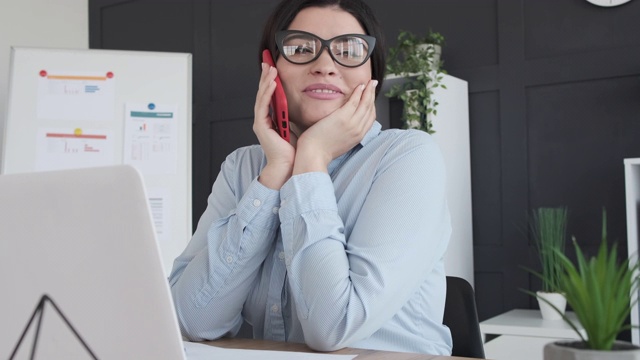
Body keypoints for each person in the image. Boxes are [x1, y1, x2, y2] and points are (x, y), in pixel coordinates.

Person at [168, 0, 452, 355]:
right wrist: (275, 173)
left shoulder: (408, 156)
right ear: (269, 68)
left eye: (348, 50)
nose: (325, 66)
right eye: (301, 48)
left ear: (372, 74)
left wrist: (312, 159)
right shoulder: (243, 168)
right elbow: (189, 321)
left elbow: (334, 328)